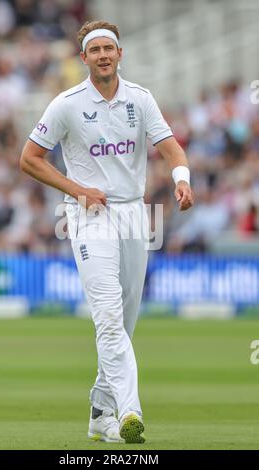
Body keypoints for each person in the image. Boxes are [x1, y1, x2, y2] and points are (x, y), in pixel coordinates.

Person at [20, 20, 194, 444]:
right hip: (87, 215)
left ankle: (100, 410)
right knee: (109, 314)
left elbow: (170, 147)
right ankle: (130, 411)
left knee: (126, 320)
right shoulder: (66, 103)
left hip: (135, 213)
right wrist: (77, 190)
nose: (102, 55)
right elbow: (30, 158)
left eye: (108, 49)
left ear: (119, 54)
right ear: (83, 58)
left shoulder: (141, 98)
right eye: (93, 49)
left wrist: (182, 178)